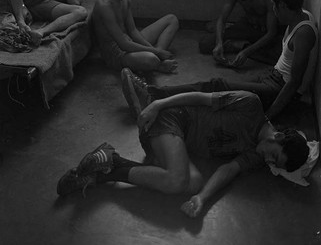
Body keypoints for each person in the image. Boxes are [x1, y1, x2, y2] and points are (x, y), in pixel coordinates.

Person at [56, 81, 309, 219]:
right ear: (277, 136)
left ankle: (108, 168)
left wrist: (202, 199)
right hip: (171, 118)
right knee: (177, 181)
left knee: (194, 184)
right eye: (274, 157)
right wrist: (157, 103)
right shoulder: (250, 105)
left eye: (275, 165)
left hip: (173, 143)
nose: (269, 162)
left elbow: (228, 169)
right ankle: (111, 163)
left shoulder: (257, 153)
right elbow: (199, 97)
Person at [124, 0, 318, 120]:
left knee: (218, 87)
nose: (273, 10)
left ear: (283, 5)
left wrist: (268, 116)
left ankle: (152, 94)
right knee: (221, 94)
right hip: (272, 76)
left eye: (275, 6)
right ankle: (160, 98)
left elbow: (294, 84)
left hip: (278, 88)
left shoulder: (303, 34)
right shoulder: (302, 14)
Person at [93, 0, 179, 74]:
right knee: (151, 58)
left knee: (172, 19)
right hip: (116, 54)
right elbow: (123, 44)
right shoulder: (104, 5)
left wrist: (154, 50)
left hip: (129, 42)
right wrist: (156, 53)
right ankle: (158, 64)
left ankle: (154, 59)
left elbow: (133, 31)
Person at [199, 0, 280, 68]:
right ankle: (238, 44)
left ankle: (241, 46)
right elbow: (222, 19)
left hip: (263, 33)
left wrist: (246, 52)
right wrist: (218, 43)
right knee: (205, 43)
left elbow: (271, 33)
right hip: (247, 26)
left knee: (279, 55)